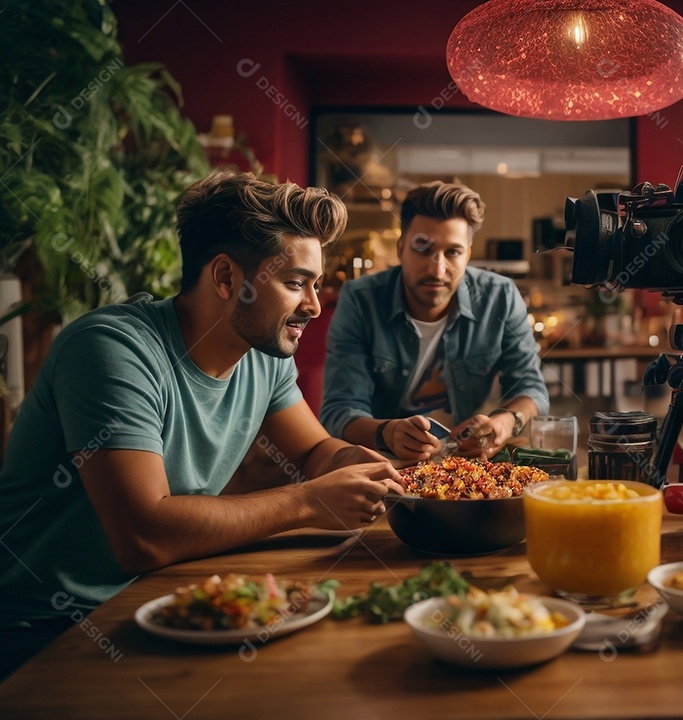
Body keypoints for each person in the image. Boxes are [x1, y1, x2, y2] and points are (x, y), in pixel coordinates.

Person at [0, 171, 403, 676]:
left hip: (158, 599)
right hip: (40, 632)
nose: (315, 306)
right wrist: (309, 501)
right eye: (295, 283)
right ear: (226, 278)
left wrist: (353, 462)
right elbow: (143, 536)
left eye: (316, 284)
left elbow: (312, 451)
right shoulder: (111, 350)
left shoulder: (263, 354)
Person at [321, 181, 549, 460]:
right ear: (401, 248)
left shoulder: (500, 297)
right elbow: (339, 410)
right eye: (422, 248)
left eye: (453, 252)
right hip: (385, 464)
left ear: (468, 254)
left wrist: (505, 422)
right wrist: (387, 433)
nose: (437, 270)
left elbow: (531, 388)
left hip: (467, 465)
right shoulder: (360, 300)